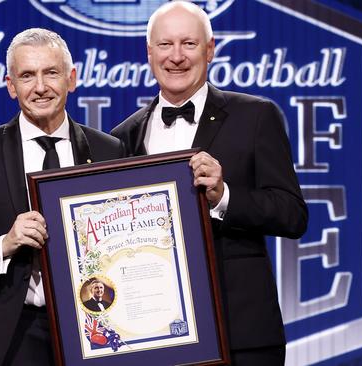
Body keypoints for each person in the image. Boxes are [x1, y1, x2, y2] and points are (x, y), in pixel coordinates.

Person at [111, 2, 308, 365]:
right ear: (149, 52)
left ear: (210, 49)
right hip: (154, 335)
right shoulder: (122, 136)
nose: (177, 57)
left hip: (241, 332)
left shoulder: (256, 116)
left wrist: (224, 197)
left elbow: (293, 215)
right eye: (166, 45)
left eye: (189, 44)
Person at [0, 28, 125, 366]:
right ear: (10, 85)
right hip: (18, 331)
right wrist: (4, 243)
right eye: (27, 76)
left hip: (97, 327)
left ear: (71, 78)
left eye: (51, 73)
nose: (40, 87)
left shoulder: (109, 150)